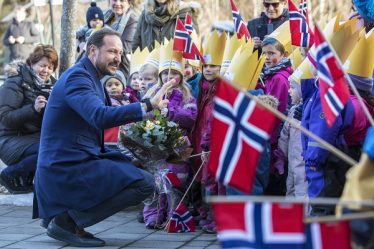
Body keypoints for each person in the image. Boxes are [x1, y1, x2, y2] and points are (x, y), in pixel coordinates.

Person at [34, 28, 176, 247]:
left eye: (120, 53)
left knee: (129, 168)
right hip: (65, 166)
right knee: (144, 183)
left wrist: (145, 111)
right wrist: (146, 105)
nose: (117, 58)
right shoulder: (78, 77)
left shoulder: (90, 76)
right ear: (93, 50)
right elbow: (99, 116)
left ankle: (62, 216)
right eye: (111, 51)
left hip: (76, 158)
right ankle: (67, 221)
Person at [0, 45, 58, 194]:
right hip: (10, 139)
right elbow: (5, 118)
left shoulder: (53, 86)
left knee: (64, 146)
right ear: (32, 64)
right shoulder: (15, 83)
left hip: (34, 138)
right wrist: (33, 109)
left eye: (51, 67)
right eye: (42, 65)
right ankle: (9, 174)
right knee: (50, 150)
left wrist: (57, 102)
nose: (46, 70)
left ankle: (24, 178)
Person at [274, 79, 308, 198]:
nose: (289, 91)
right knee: (290, 190)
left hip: (304, 166)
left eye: (293, 88)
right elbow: (285, 135)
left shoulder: (308, 114)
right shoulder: (293, 110)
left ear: (302, 90)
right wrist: (281, 156)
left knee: (302, 194)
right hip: (292, 164)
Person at [132, 0, 200, 51]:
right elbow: (136, 44)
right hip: (149, 66)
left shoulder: (184, 12)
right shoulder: (145, 14)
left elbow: (193, 44)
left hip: (175, 66)